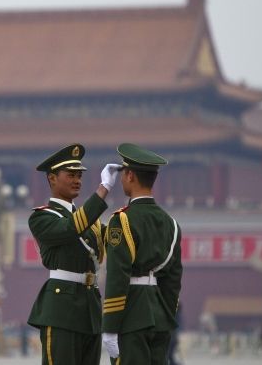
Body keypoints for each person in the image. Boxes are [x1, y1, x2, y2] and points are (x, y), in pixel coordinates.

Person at [27, 143, 120, 365]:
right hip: (61, 310)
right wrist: (103, 189)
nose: (77, 180)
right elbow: (70, 228)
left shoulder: (91, 222)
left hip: (90, 309)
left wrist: (138, 203)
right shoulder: (42, 217)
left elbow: (117, 241)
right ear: (52, 178)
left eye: (79, 175)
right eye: (70, 175)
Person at [102, 143, 183, 365]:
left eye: (122, 175)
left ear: (129, 176)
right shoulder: (172, 225)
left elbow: (118, 275)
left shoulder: (122, 220)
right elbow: (173, 280)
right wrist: (165, 315)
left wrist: (109, 326)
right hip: (160, 316)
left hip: (131, 315)